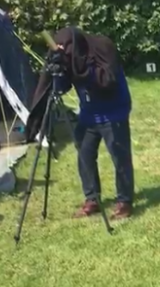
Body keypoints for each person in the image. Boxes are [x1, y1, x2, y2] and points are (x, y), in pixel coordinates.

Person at [52, 26, 135, 220]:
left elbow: (107, 80)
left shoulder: (102, 47)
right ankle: (92, 199)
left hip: (113, 112)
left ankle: (124, 202)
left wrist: (82, 70)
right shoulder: (72, 57)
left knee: (120, 157)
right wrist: (59, 71)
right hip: (89, 114)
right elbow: (63, 87)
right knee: (85, 155)